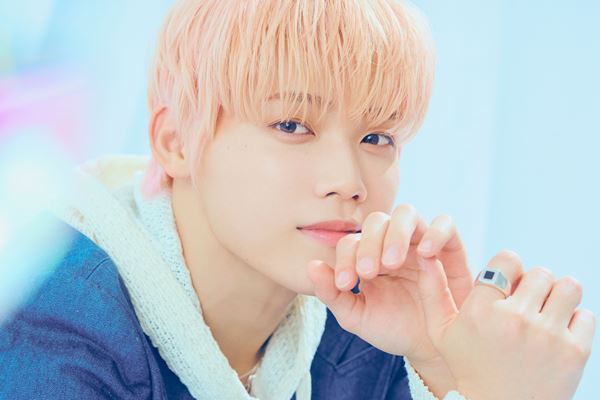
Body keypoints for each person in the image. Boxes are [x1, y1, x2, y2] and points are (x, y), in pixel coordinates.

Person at [0, 0, 595, 399]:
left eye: (376, 137)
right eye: (291, 125)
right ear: (175, 141)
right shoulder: (48, 323)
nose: (348, 180)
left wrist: (443, 364)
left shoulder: (366, 325)